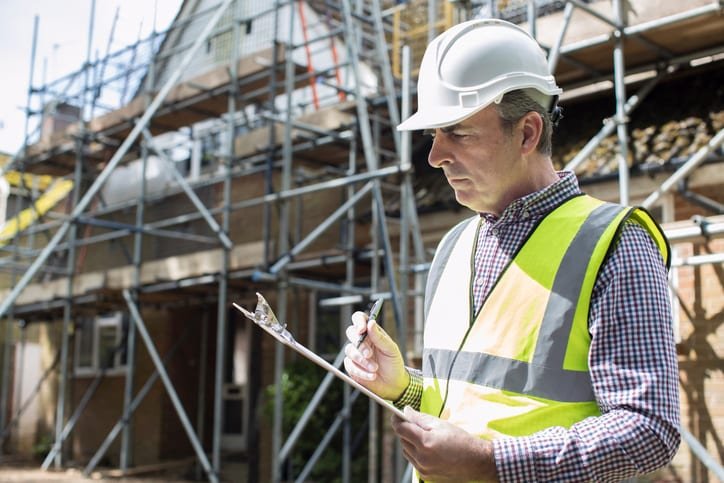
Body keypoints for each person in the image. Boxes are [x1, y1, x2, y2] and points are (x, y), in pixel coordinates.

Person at [344, 18, 680, 482]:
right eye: (433, 135)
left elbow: (649, 429)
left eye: (457, 133)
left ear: (526, 133)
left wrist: (492, 462)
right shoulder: (454, 246)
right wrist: (402, 385)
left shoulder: (615, 244)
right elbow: (471, 404)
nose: (434, 156)